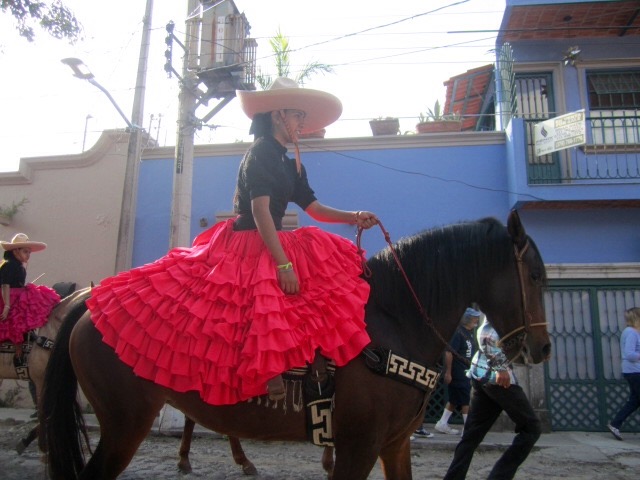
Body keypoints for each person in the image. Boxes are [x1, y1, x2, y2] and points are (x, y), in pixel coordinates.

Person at [87, 77, 379, 405]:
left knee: (319, 288)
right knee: (253, 302)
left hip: (270, 234)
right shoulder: (261, 152)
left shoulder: (290, 161)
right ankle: (263, 380)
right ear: (278, 115)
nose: (302, 122)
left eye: (302, 116)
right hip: (248, 239)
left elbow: (314, 208)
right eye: (297, 115)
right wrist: (282, 262)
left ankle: (315, 375)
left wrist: (353, 216)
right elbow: (260, 210)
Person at [443, 316, 541, 480]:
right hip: (496, 378)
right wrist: (501, 367)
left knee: (471, 436)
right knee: (532, 428)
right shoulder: (508, 298)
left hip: (482, 375)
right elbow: (486, 334)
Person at [0, 233, 60, 364]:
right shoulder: (9, 264)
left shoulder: (18, 264)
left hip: (18, 294)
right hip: (7, 297)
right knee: (16, 318)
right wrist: (6, 306)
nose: (28, 255)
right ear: (16, 250)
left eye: (29, 252)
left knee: (39, 295)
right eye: (25, 251)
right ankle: (18, 352)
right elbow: (5, 285)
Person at [435, 307, 481, 436]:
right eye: (474, 317)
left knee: (455, 399)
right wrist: (448, 372)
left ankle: (442, 423)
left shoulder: (469, 333)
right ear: (467, 319)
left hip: (467, 369)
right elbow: (449, 352)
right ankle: (468, 429)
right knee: (466, 399)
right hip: (459, 370)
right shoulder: (458, 333)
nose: (476, 320)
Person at [607, 307, 640, 441]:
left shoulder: (634, 332)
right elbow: (629, 354)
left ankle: (615, 424)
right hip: (634, 371)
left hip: (634, 370)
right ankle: (615, 424)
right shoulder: (631, 332)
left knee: (635, 401)